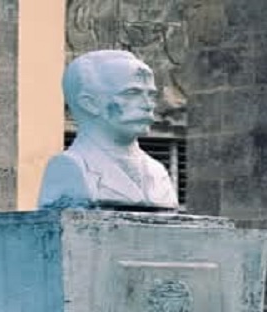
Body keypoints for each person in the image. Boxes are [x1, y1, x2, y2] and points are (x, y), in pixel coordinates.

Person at [37, 50, 180, 210]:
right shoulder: (69, 168)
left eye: (151, 95)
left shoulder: (157, 172)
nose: (148, 105)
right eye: (132, 93)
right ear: (89, 104)